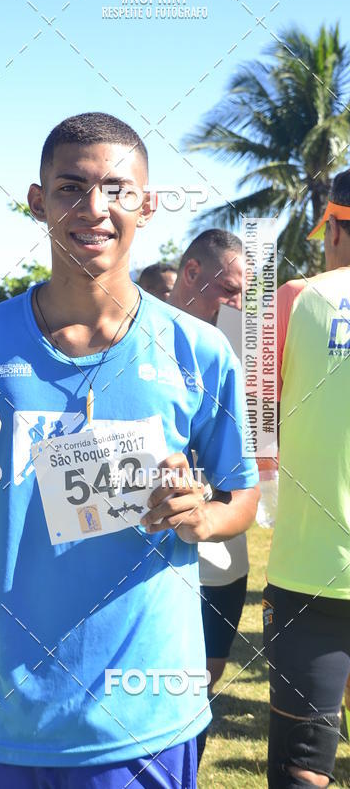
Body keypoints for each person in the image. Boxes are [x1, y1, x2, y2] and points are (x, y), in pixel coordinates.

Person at [0, 113, 259, 788]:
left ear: (147, 206)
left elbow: (241, 496)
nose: (95, 208)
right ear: (39, 202)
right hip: (3, 723)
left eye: (118, 190)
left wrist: (205, 517)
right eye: (71, 188)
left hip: (142, 719)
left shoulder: (198, 350)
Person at [264, 171, 350, 788]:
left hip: (308, 569)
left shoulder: (292, 298)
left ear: (338, 230)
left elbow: (251, 430)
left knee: (302, 769)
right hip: (309, 572)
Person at [168, 230, 252, 761]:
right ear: (193, 273)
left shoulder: (236, 348)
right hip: (147, 554)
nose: (238, 305)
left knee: (204, 676)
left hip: (221, 549)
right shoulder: (130, 333)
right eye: (230, 291)